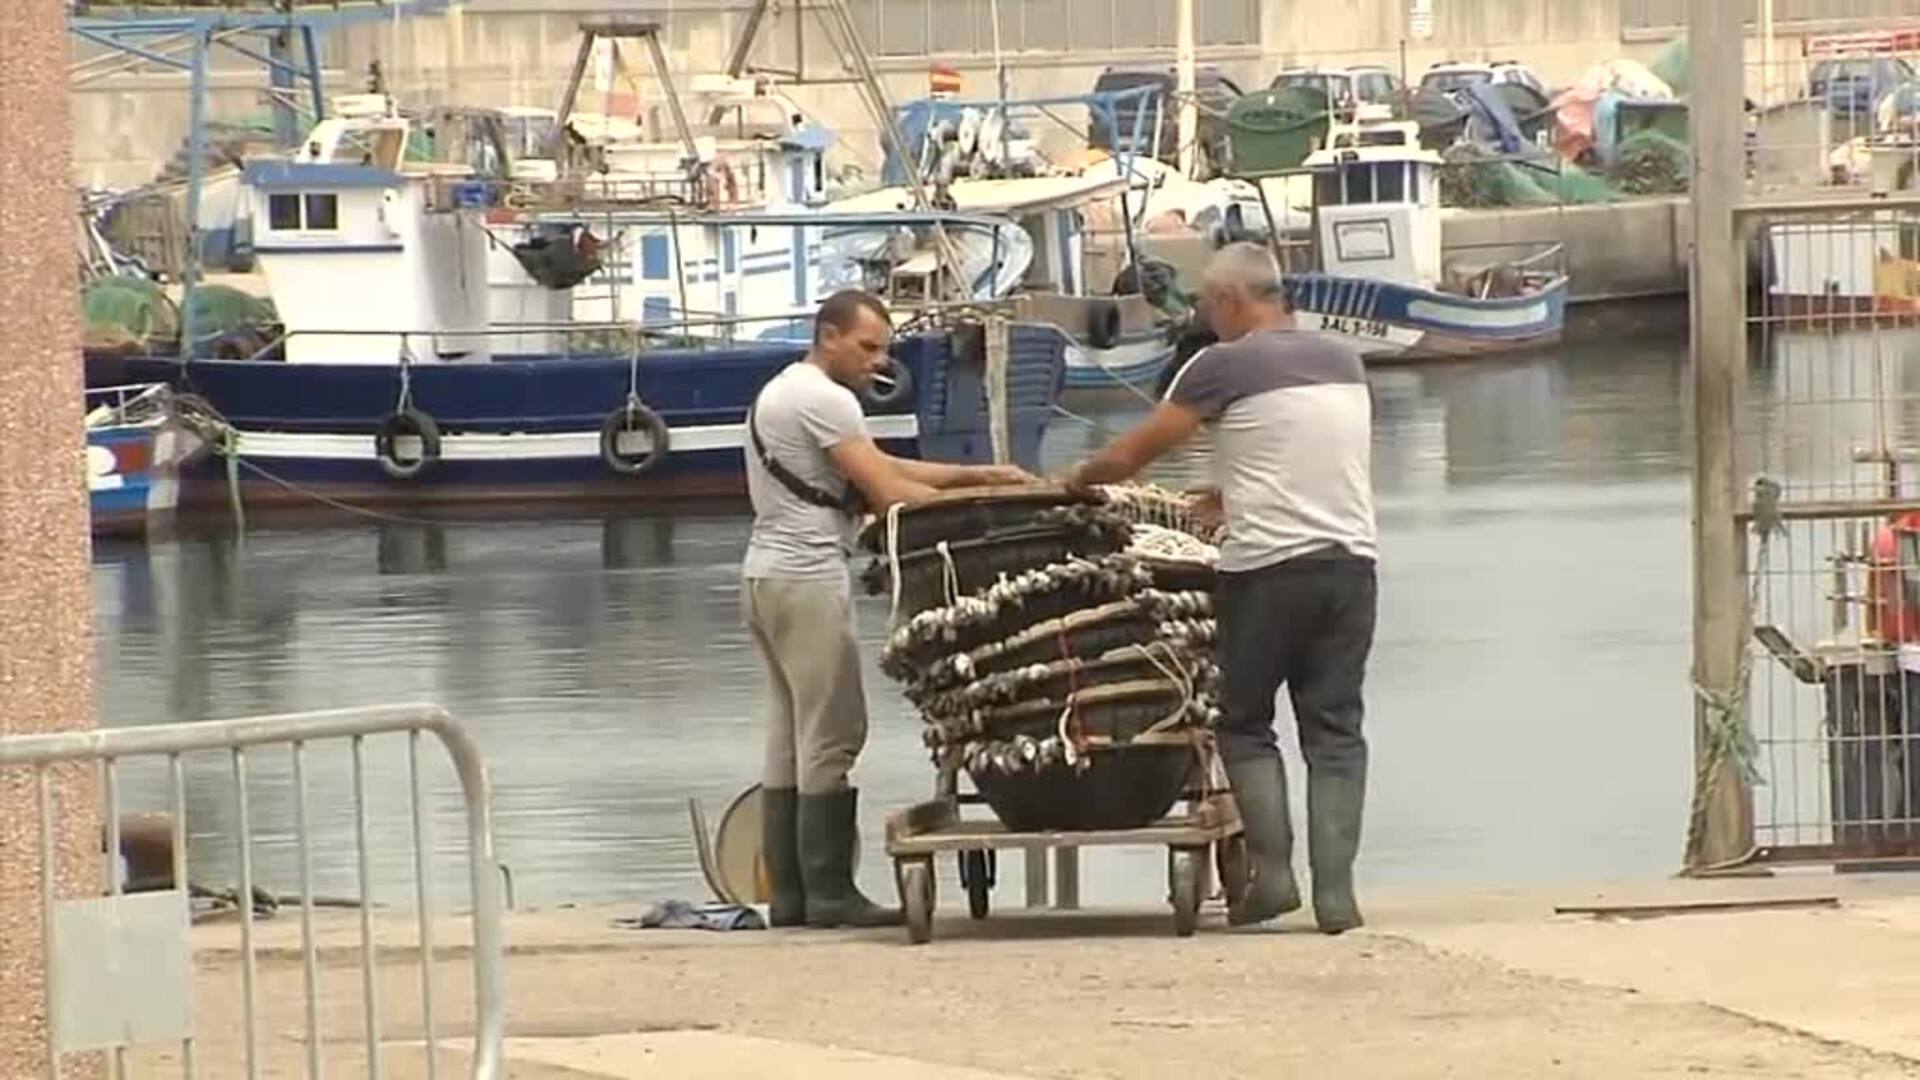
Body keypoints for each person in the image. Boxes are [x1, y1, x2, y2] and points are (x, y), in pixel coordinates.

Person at [1057, 243, 1378, 933]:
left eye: (1206, 303)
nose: (1202, 315)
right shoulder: (1342, 360)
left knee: (1244, 721)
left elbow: (1136, 453)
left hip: (1266, 571)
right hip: (1351, 566)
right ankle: (1338, 897)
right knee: (1335, 730)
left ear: (1232, 300)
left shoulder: (1221, 365)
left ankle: (1274, 878)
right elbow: (1304, 455)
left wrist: (1080, 478)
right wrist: (1234, 496)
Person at [744, 289, 1035, 929]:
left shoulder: (783, 391)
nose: (878, 361)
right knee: (834, 731)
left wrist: (972, 476)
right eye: (867, 346)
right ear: (828, 335)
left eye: (884, 349)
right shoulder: (826, 398)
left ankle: (790, 899)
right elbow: (886, 491)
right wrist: (996, 497)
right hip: (807, 575)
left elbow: (877, 466)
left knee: (788, 736)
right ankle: (829, 894)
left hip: (764, 575)